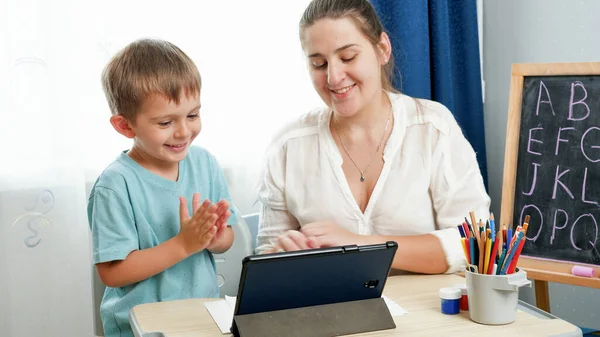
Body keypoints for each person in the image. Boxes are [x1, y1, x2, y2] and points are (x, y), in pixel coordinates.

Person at [256, 0, 490, 275]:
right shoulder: (288, 146)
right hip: (333, 312)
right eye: (319, 63)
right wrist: (281, 257)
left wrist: (362, 245)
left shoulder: (432, 128)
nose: (333, 76)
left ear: (382, 49)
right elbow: (266, 262)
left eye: (347, 57)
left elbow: (475, 242)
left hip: (429, 313)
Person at [88, 38, 237, 337]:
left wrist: (214, 237)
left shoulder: (205, 163)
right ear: (125, 126)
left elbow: (227, 238)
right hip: (142, 328)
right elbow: (112, 272)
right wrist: (183, 244)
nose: (184, 131)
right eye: (166, 122)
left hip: (200, 321)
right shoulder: (115, 185)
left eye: (193, 115)